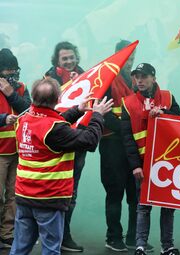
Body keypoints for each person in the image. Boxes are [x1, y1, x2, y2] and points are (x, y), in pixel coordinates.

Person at [10, 77, 113, 255]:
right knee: (51, 249)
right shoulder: (55, 129)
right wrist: (97, 116)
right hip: (48, 197)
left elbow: (51, 126)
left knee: (20, 248)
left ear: (33, 97)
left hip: (24, 196)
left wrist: (77, 110)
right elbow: (89, 141)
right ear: (58, 99)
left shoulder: (23, 119)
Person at [121, 63, 180, 255]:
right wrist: (135, 166)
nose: (139, 80)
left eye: (144, 76)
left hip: (167, 162)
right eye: (136, 76)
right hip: (144, 164)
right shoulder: (128, 103)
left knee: (168, 206)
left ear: (154, 78)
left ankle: (167, 246)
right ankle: (140, 246)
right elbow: (128, 138)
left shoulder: (167, 97)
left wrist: (164, 114)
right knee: (143, 206)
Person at [99, 40, 145, 252]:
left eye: (133, 58)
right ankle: (113, 236)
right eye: (128, 58)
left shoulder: (137, 81)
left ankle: (134, 238)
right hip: (112, 144)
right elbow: (103, 115)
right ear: (118, 56)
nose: (130, 63)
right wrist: (128, 129)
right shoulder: (107, 79)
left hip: (131, 145)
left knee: (134, 194)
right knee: (115, 192)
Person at [45, 41, 86, 252]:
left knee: (72, 192)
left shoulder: (87, 77)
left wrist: (80, 84)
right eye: (65, 59)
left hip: (77, 142)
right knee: (53, 191)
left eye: (71, 57)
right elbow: (44, 107)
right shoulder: (48, 79)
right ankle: (49, 234)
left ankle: (64, 235)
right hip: (55, 144)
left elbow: (95, 101)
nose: (69, 61)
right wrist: (67, 87)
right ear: (57, 61)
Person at [0, 48, 31, 248]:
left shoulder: (21, 88)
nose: (12, 73)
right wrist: (3, 119)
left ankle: (7, 233)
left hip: (18, 151)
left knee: (13, 195)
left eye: (14, 69)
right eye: (7, 69)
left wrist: (11, 94)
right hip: (0, 152)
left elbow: (29, 110)